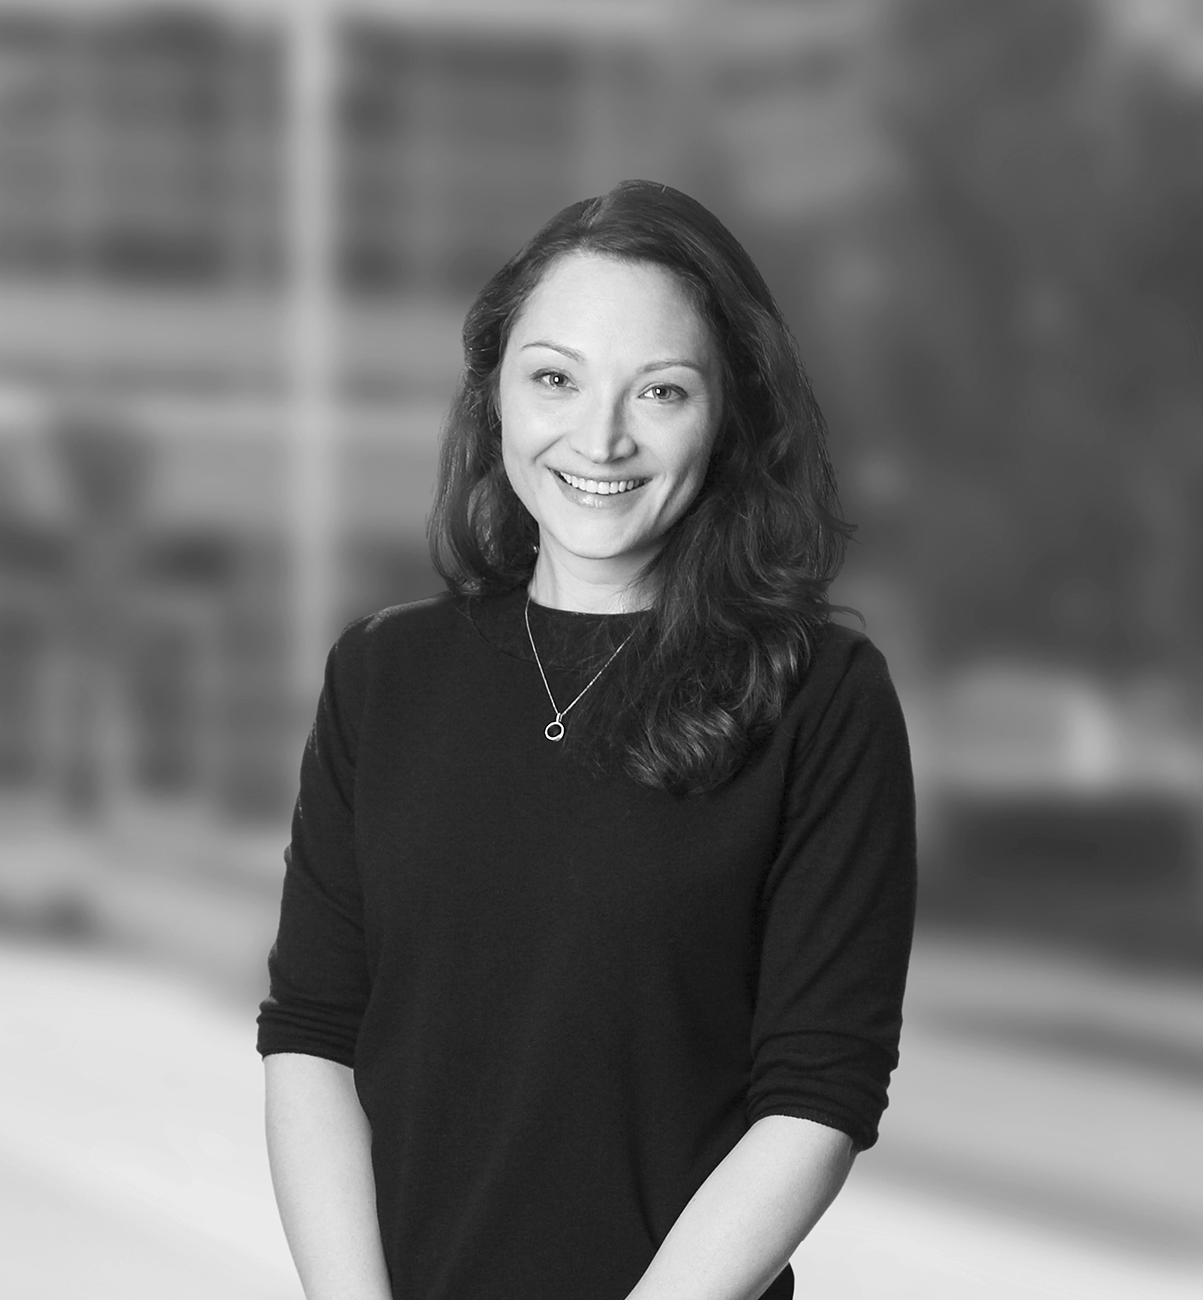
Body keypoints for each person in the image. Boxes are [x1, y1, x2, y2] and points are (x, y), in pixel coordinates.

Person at [256, 180, 917, 1300]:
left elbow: (816, 1096)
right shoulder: (382, 674)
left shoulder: (822, 698)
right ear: (495, 395)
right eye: (554, 378)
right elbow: (312, 1037)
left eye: (659, 390)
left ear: (729, 413)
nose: (599, 436)